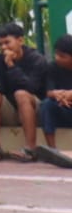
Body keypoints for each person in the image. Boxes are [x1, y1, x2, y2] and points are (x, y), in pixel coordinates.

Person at [0, 21, 49, 162]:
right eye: (0, 44)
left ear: (20, 40)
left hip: (33, 107)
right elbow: (1, 89)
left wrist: (11, 66)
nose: (3, 47)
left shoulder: (36, 59)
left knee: (21, 94)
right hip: (10, 108)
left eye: (7, 42)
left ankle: (30, 149)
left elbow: (32, 87)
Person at [33, 34, 72, 168]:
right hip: (63, 108)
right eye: (56, 54)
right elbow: (49, 91)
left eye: (62, 56)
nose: (57, 58)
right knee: (47, 105)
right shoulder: (52, 67)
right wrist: (57, 94)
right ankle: (53, 150)